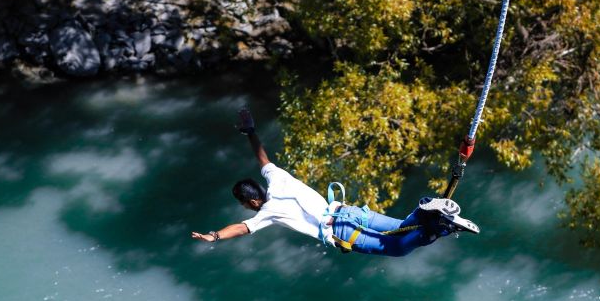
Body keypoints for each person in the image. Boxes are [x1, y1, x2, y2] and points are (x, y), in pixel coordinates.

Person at [191, 108, 478, 257]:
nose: (246, 208)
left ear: (252, 201)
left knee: (398, 248)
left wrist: (214, 236)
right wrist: (250, 131)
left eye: (244, 204)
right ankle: (430, 212)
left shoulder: (267, 213)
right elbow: (262, 158)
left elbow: (242, 228)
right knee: (401, 227)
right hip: (346, 211)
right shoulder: (276, 178)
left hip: (341, 230)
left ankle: (438, 224)